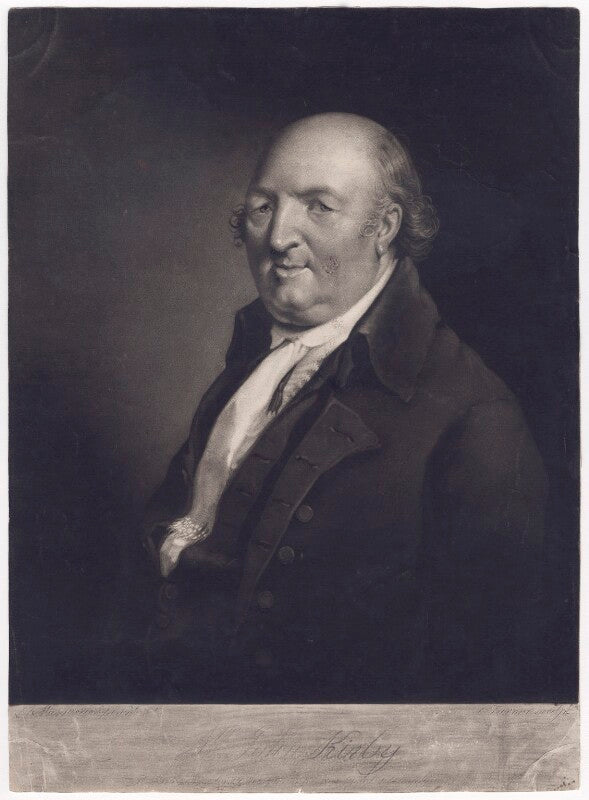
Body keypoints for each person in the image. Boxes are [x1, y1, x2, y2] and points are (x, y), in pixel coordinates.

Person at [140, 112, 547, 702]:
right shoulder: (254, 362)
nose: (279, 236)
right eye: (263, 207)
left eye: (319, 207)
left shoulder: (474, 416)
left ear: (384, 227)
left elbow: (485, 665)